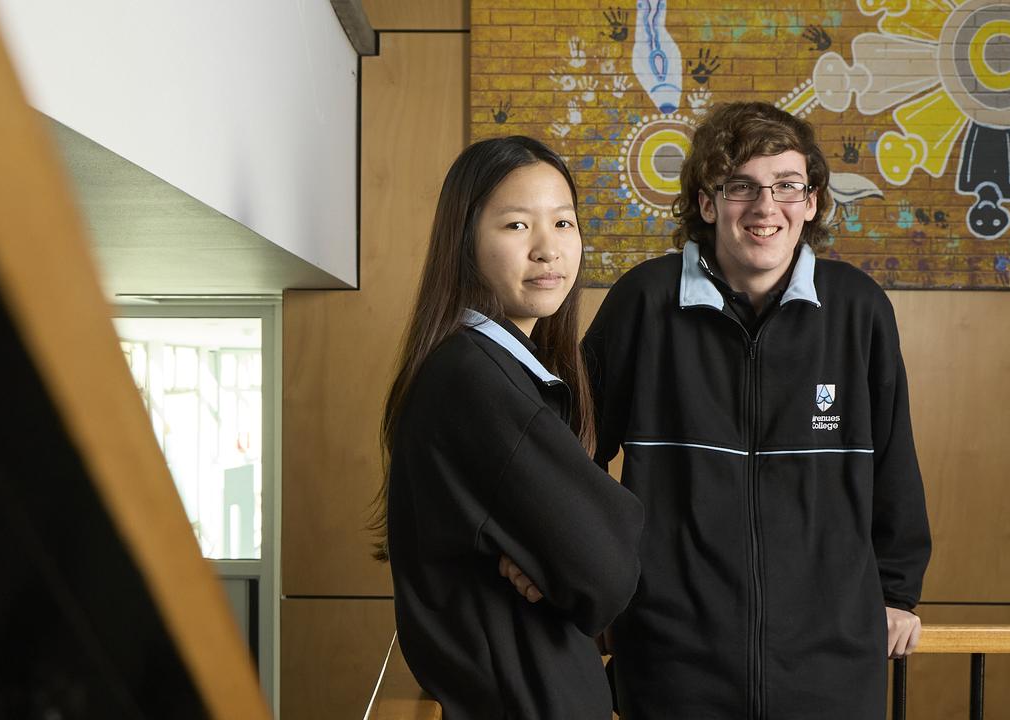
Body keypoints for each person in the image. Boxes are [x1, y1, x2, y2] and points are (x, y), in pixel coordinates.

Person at [506, 102, 931, 717]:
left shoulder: (859, 309)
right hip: (671, 660)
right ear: (707, 204)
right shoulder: (645, 302)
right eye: (741, 187)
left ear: (811, 203)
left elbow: (894, 462)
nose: (766, 207)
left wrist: (897, 593)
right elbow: (568, 451)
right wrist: (580, 577)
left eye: (787, 185)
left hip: (832, 666)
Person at [370, 135, 645, 720]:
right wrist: (568, 565)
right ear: (464, 243)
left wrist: (553, 565)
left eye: (564, 223)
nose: (548, 249)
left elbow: (588, 562)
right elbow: (607, 568)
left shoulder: (495, 368)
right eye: (517, 226)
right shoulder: (475, 380)